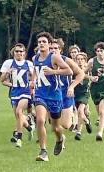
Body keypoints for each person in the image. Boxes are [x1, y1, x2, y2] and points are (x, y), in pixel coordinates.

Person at [31, 32, 72, 162]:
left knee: (55, 127)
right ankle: (43, 151)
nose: (41, 44)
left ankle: (60, 138)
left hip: (54, 96)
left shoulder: (54, 58)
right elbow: (35, 72)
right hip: (40, 94)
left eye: (44, 42)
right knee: (40, 120)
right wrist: (33, 80)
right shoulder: (35, 58)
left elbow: (69, 71)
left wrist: (54, 71)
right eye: (39, 42)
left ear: (49, 44)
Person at [0, 43, 34, 148]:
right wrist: (8, 74)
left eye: (21, 51)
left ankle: (19, 138)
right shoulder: (8, 63)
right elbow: (2, 80)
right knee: (18, 117)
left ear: (24, 53)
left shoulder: (28, 64)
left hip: (25, 92)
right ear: (13, 52)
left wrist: (32, 84)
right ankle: (29, 127)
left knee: (19, 112)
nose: (19, 53)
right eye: (17, 51)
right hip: (14, 93)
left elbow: (33, 78)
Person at [50, 38, 85, 131]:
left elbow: (81, 74)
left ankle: (73, 117)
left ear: (60, 50)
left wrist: (72, 87)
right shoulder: (45, 60)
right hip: (51, 95)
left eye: (56, 48)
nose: (53, 50)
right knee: (53, 123)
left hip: (65, 94)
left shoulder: (67, 60)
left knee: (65, 125)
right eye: (51, 48)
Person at [73, 52, 92, 140]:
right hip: (76, 94)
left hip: (85, 94)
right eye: (78, 59)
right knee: (80, 112)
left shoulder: (88, 70)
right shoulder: (73, 71)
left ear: (85, 61)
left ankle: (78, 132)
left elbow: (91, 77)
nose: (80, 61)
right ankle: (87, 121)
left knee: (80, 111)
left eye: (82, 59)